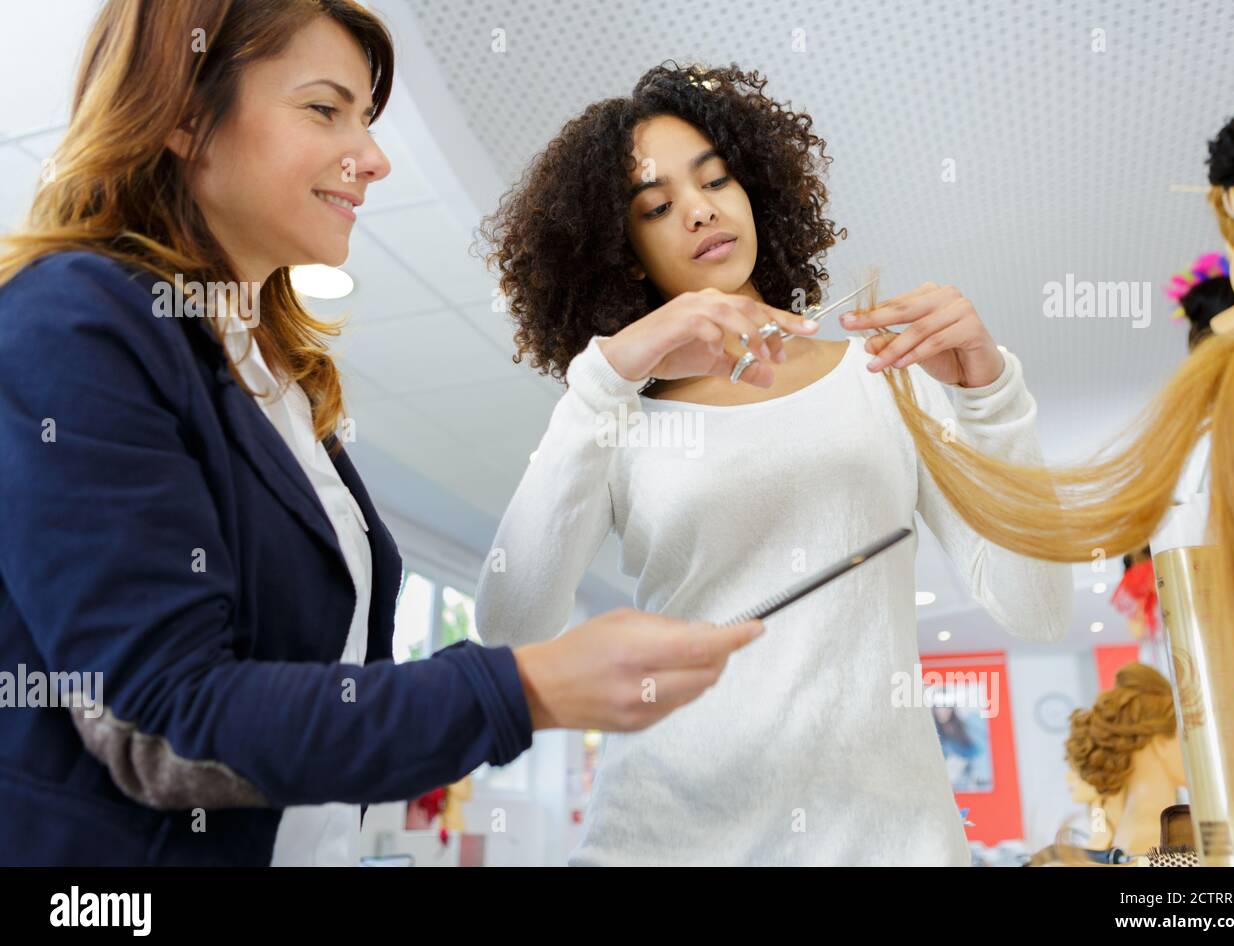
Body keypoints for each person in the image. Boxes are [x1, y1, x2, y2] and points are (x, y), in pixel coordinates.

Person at [0, 1, 762, 867]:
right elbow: (163, 724)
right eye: (325, 110)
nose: (373, 157)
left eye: (365, 118)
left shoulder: (274, 377)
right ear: (181, 111)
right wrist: (528, 689)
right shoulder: (75, 322)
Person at [476, 62, 1073, 865]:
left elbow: (1036, 610)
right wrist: (604, 377)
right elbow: (511, 625)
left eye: (715, 178)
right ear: (623, 253)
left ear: (754, 187)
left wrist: (989, 398)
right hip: (661, 839)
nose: (699, 209)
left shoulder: (886, 377)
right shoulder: (616, 414)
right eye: (656, 206)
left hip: (889, 842)